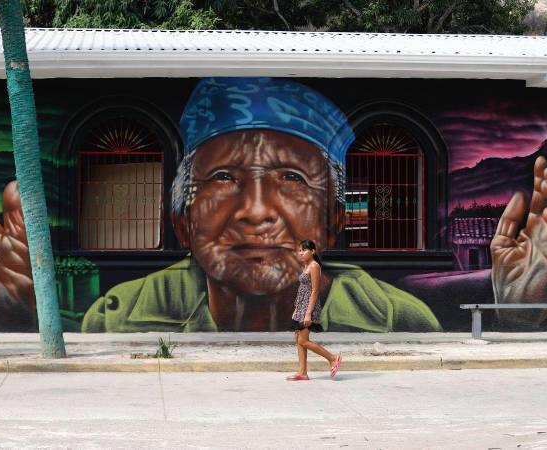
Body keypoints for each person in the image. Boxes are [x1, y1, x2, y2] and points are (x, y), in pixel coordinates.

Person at [81, 77, 442, 333]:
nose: (255, 212)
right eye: (223, 177)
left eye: (291, 178)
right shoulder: (119, 315)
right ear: (183, 222)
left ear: (334, 220)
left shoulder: (397, 318)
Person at [286, 240, 342, 381]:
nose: (301, 253)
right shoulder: (306, 266)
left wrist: (308, 313)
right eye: (299, 250)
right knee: (298, 339)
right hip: (302, 306)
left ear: (313, 251)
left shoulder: (314, 266)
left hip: (309, 307)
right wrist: (297, 308)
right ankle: (302, 373)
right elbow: (302, 290)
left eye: (304, 250)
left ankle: (333, 358)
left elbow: (315, 291)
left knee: (303, 340)